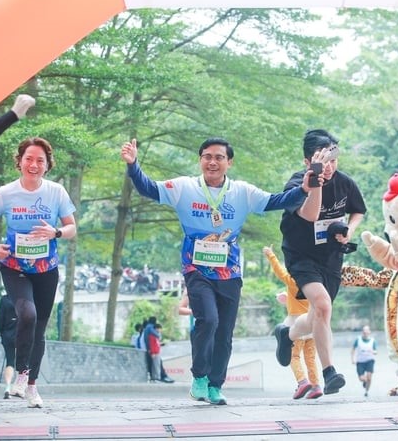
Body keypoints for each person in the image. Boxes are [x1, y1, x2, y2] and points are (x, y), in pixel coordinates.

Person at [121, 136, 312, 405]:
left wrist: (304, 190)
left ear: (229, 162)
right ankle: (199, 377)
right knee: (208, 320)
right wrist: (133, 165)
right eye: (207, 156)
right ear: (200, 160)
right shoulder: (184, 187)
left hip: (230, 270)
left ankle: (215, 385)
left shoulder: (242, 192)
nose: (213, 162)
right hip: (195, 267)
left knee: (224, 332)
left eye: (219, 157)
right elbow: (148, 189)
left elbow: (275, 201)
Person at [0, 137, 77, 408]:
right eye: (29, 159)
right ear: (20, 161)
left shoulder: (56, 192)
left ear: (47, 165)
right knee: (27, 314)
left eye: (40, 161)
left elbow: (71, 227)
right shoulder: (5, 193)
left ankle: (31, 386)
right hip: (14, 266)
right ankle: (21, 374)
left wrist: (55, 232)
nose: (34, 165)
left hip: (46, 269)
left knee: (40, 329)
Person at [273, 129, 366, 396]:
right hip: (301, 256)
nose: (330, 166)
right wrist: (316, 179)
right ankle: (330, 372)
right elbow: (311, 215)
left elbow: (357, 210)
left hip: (331, 256)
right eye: (323, 160)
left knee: (318, 314)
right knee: (323, 305)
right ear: (307, 162)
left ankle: (287, 334)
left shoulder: (345, 182)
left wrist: (349, 229)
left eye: (334, 159)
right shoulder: (295, 184)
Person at [263, 245, 323, 400]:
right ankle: (316, 386)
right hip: (313, 323)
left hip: (296, 324)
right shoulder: (315, 282)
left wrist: (270, 255)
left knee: (294, 355)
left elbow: (279, 271)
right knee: (310, 357)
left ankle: (302, 382)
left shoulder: (292, 281)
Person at [0, 292, 18, 399]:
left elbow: (0, 319)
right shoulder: (24, 298)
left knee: (10, 361)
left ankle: (8, 387)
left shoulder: (5, 300)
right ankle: (20, 387)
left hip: (7, 335)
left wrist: (2, 333)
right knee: (24, 361)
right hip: (22, 334)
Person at [351, 325, 377, 397]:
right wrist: (352, 359)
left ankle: (366, 391)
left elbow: (375, 351)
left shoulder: (372, 341)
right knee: (361, 378)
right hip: (360, 362)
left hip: (370, 360)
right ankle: (364, 381)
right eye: (364, 331)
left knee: (369, 377)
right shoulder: (358, 340)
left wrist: (374, 352)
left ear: (369, 332)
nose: (365, 333)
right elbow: (353, 349)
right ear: (362, 332)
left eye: (367, 331)